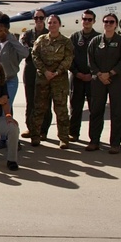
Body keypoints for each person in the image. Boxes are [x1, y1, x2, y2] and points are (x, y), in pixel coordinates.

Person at [87, 13, 121, 153]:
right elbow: (90, 60)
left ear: (116, 24)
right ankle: (94, 141)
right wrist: (99, 74)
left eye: (111, 22)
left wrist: (111, 73)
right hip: (98, 81)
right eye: (106, 21)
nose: (108, 24)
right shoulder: (95, 41)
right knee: (96, 111)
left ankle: (115, 143)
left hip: (116, 80)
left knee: (117, 112)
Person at [30, 14, 74, 148]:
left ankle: (64, 138)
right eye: (50, 23)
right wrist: (45, 71)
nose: (52, 25)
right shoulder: (41, 39)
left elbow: (68, 58)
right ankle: (35, 136)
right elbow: (35, 55)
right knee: (39, 108)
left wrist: (57, 72)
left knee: (61, 110)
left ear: (59, 24)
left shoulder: (66, 42)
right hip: (43, 79)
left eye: (55, 22)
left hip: (59, 80)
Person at [0, 17, 29, 148]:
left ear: (6, 30)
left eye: (0, 31)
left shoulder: (13, 45)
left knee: (5, 106)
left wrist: (12, 38)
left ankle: (6, 138)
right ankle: (9, 137)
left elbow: (25, 53)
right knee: (6, 110)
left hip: (10, 80)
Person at [68, 10, 100, 142]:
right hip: (77, 78)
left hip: (92, 79)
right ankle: (73, 133)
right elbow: (69, 57)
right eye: (85, 19)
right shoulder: (74, 37)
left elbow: (100, 59)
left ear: (94, 21)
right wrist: (77, 73)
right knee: (75, 107)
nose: (87, 22)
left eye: (90, 19)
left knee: (94, 109)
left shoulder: (99, 38)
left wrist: (92, 74)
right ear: (81, 21)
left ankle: (94, 137)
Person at [21, 10, 51, 140]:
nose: (39, 20)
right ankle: (31, 127)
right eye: (36, 18)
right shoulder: (28, 34)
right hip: (30, 70)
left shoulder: (49, 35)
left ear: (45, 19)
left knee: (45, 101)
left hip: (44, 71)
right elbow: (24, 51)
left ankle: (43, 130)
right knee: (30, 100)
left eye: (41, 18)